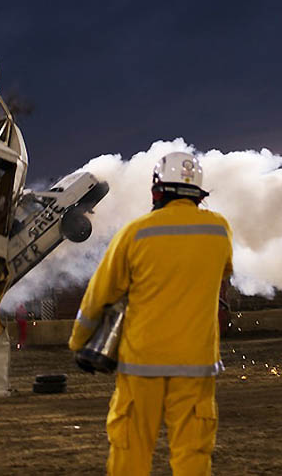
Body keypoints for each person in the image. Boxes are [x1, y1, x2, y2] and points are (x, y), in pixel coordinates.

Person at [69, 151, 233, 476]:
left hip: (142, 364)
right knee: (192, 453)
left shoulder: (135, 233)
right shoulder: (219, 230)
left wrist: (79, 342)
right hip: (196, 364)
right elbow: (224, 272)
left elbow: (99, 295)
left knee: (130, 449)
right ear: (198, 192)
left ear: (157, 190)